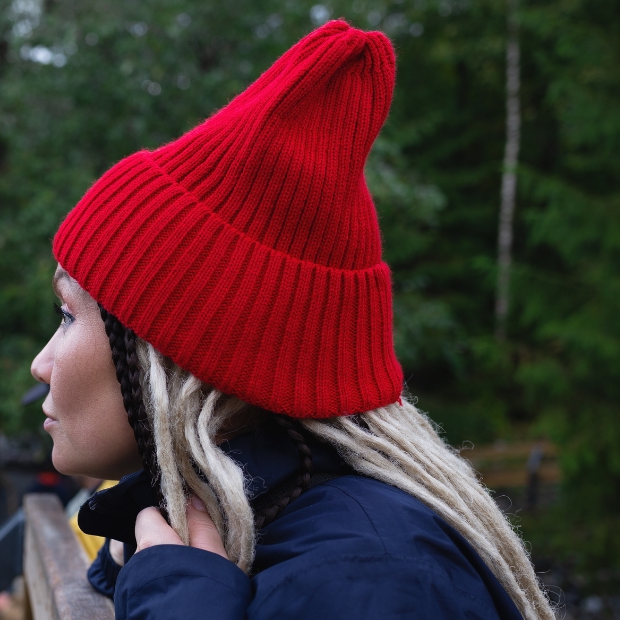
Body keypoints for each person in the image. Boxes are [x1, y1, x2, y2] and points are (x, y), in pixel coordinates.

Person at [29, 20, 556, 620]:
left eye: (67, 315)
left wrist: (177, 599)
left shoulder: (371, 578)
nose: (40, 364)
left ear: (178, 353)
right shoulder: (237, 529)